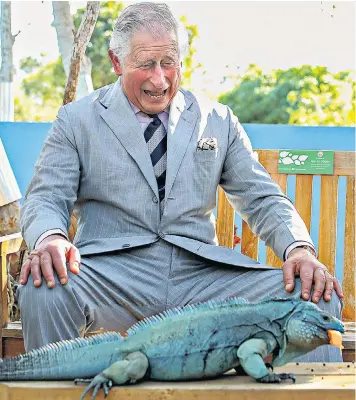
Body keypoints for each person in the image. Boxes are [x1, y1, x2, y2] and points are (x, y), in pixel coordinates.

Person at [18, 2, 343, 362]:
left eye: (168, 62)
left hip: (202, 277)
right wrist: (51, 239)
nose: (160, 79)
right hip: (111, 277)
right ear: (116, 62)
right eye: (145, 64)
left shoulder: (218, 120)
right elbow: (46, 196)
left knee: (316, 295)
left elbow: (262, 199)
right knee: (42, 287)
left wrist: (299, 250)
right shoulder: (76, 120)